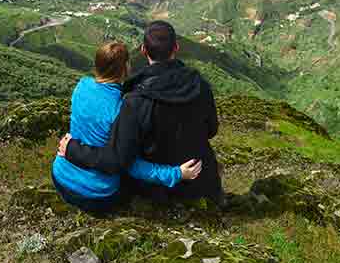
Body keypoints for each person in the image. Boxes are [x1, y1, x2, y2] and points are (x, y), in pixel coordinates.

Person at [59, 21, 222, 204]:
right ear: (176, 47)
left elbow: (119, 158)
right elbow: (211, 130)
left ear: (143, 50)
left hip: (155, 189)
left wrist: (73, 149)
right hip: (200, 180)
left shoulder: (134, 99)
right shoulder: (200, 85)